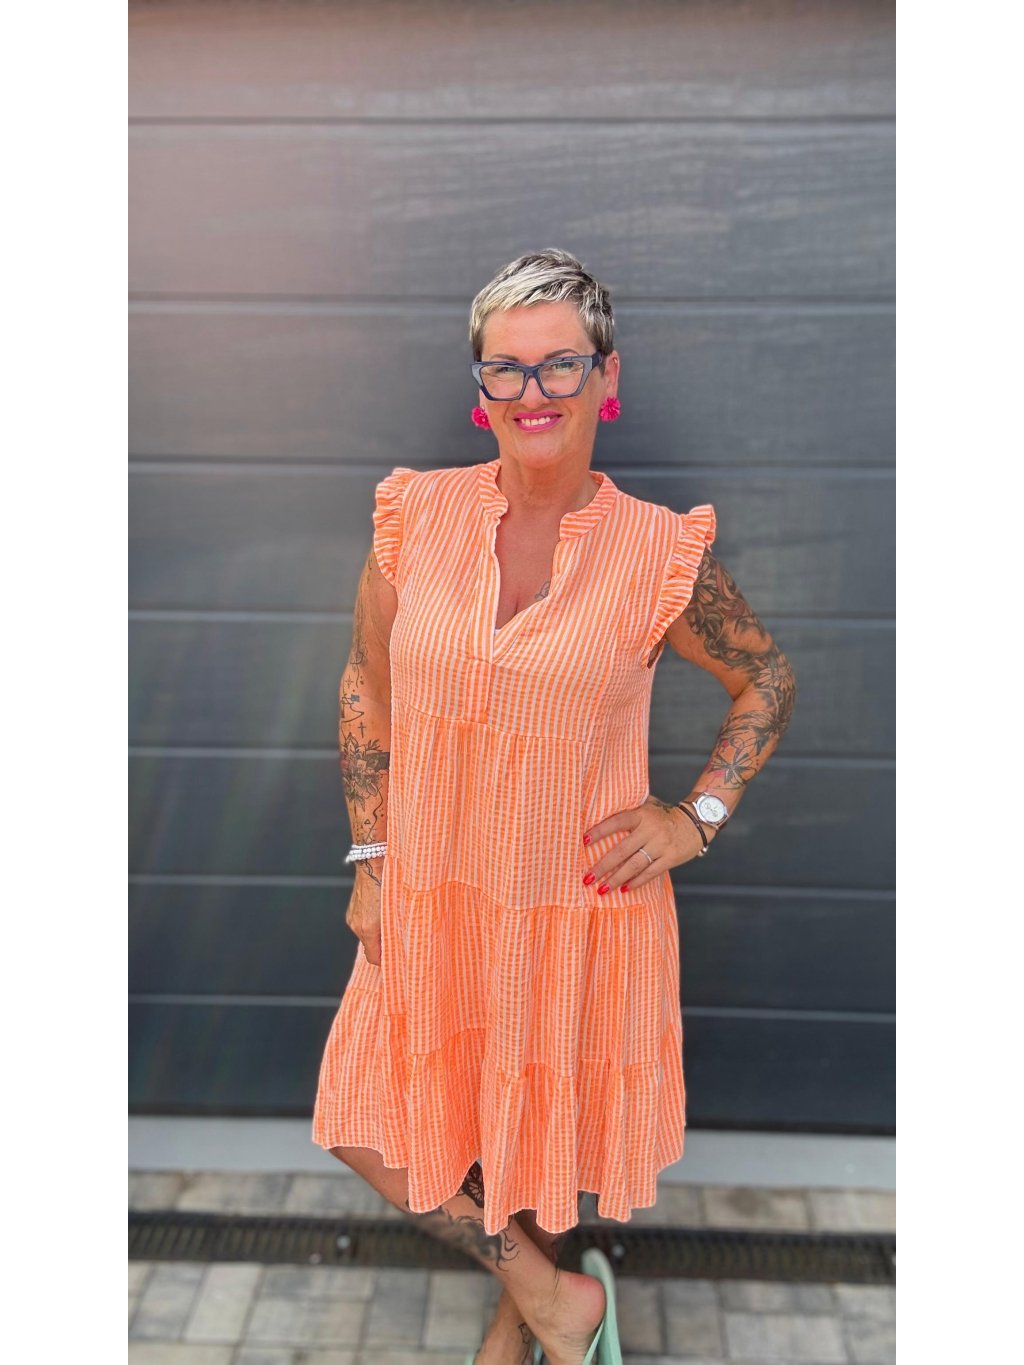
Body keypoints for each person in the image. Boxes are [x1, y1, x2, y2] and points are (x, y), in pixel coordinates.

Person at [311, 248, 797, 1365]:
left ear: (605, 378)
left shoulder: (658, 553)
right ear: (479, 389)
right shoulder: (415, 517)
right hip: (432, 894)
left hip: (575, 906)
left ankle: (522, 1321)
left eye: (559, 364)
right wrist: (371, 856)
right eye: (507, 368)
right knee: (363, 1120)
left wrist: (695, 817)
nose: (533, 391)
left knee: (541, 1137)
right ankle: (545, 1293)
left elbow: (765, 678)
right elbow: (366, 681)